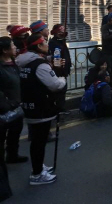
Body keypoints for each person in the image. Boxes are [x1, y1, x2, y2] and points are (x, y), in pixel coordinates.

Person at [16, 33, 66, 185]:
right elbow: (55, 84)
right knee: (39, 142)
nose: (47, 45)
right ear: (38, 46)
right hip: (41, 108)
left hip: (29, 105)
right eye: (44, 42)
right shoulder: (40, 66)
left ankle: (38, 167)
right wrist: (62, 79)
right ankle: (37, 174)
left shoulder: (23, 62)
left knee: (37, 141)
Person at [0, 37, 28, 164]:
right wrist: (7, 104)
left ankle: (12, 155)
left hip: (16, 105)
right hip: (5, 108)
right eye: (12, 46)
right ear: (5, 50)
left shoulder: (13, 62)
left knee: (15, 133)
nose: (15, 47)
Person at [48, 24, 71, 113]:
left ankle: (61, 107)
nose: (63, 33)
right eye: (60, 31)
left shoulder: (62, 41)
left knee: (63, 89)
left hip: (64, 68)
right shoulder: (54, 42)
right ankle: (58, 108)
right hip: (58, 69)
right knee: (59, 90)